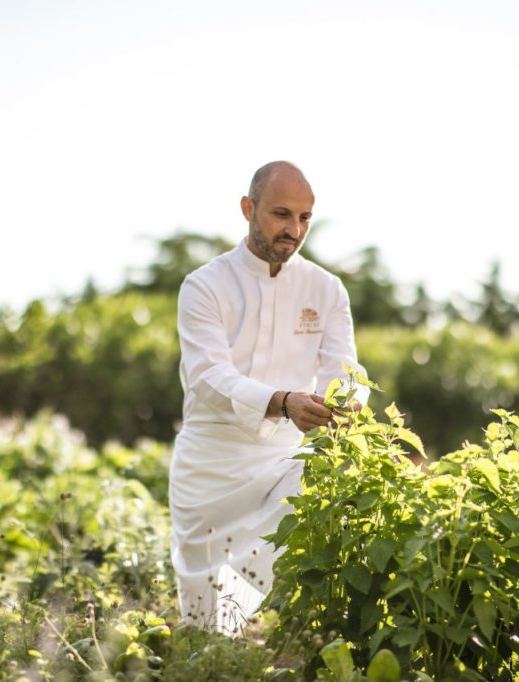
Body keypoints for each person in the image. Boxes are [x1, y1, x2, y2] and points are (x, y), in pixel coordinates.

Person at [168, 161, 368, 635]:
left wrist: (349, 400)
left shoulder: (326, 288)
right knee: (204, 629)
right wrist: (283, 401)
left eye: (304, 218)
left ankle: (287, 644)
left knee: (308, 508)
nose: (293, 229)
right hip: (210, 464)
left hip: (284, 459)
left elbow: (347, 371)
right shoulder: (204, 285)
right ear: (248, 209)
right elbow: (207, 376)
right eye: (281, 214)